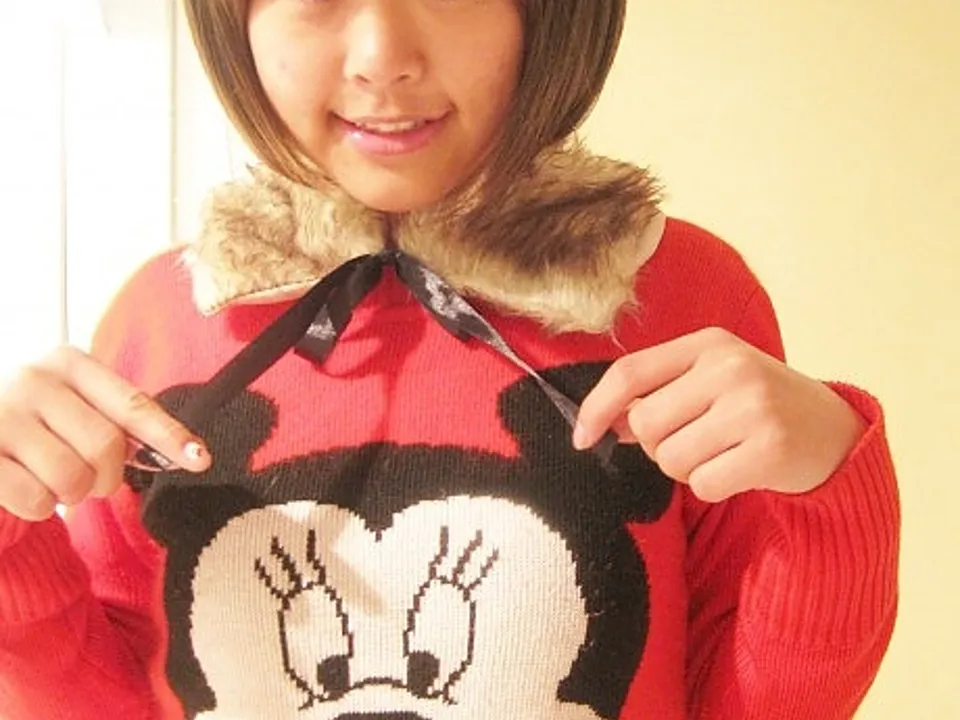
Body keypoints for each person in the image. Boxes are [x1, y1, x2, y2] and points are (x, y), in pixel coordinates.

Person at [0, 1, 899, 718]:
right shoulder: (164, 319)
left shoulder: (680, 300)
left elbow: (767, 699)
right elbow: (103, 695)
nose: (381, 57)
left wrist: (832, 482)